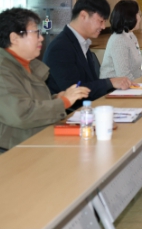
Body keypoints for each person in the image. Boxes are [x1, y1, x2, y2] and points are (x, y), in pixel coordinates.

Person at [0, 8, 90, 152]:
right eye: (35, 33)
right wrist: (63, 102)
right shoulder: (3, 70)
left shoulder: (29, 64)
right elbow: (22, 114)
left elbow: (32, 101)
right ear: (14, 38)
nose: (41, 38)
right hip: (13, 151)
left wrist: (57, 98)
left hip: (38, 141)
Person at [43, 0, 132, 110]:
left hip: (87, 109)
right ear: (83, 16)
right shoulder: (60, 48)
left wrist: (114, 84)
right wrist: (110, 82)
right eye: (100, 21)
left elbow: (90, 83)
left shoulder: (81, 42)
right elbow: (74, 91)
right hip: (69, 114)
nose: (103, 27)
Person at [100, 0, 142, 81]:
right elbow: (123, 75)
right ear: (129, 17)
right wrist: (140, 85)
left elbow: (136, 70)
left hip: (130, 83)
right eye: (137, 14)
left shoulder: (131, 35)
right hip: (113, 87)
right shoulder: (118, 40)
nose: (140, 18)